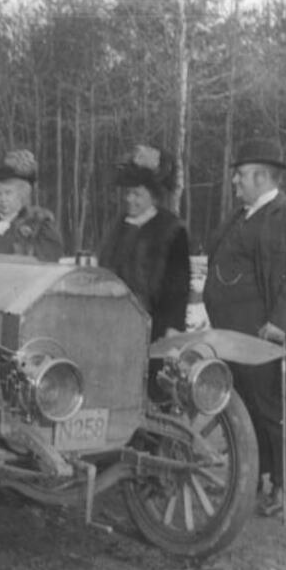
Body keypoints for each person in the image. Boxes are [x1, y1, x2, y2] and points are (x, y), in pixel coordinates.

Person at [203, 138, 286, 517]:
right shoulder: (238, 215)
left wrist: (279, 324)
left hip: (263, 335)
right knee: (240, 405)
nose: (235, 182)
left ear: (261, 176)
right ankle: (251, 475)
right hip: (230, 335)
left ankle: (282, 484)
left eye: (240, 175)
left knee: (269, 407)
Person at [97, 144, 190, 401]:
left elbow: (178, 287)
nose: (130, 200)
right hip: (114, 325)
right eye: (127, 194)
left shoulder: (171, 230)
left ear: (154, 196)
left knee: (150, 394)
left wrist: (172, 330)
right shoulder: (117, 226)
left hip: (154, 328)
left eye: (137, 194)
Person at [0, 150, 63, 262]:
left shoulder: (39, 227)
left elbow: (48, 266)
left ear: (22, 195)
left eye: (8, 193)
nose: (3, 199)